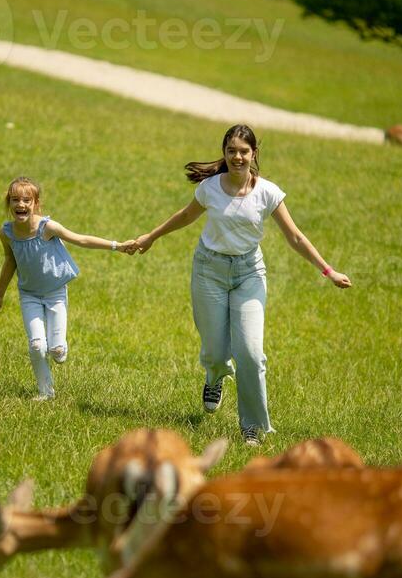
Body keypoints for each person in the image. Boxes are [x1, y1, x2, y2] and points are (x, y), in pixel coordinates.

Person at [134, 125, 351, 446]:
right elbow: (185, 216)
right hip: (209, 270)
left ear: (254, 154)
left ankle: (251, 424)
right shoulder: (210, 188)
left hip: (249, 274)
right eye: (232, 151)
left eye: (243, 151)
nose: (237, 157)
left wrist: (327, 270)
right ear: (224, 153)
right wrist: (151, 236)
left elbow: (295, 237)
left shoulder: (267, 193)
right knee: (215, 349)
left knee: (250, 352)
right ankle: (215, 375)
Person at [0, 176, 135, 400]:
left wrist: (118, 246)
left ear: (36, 204)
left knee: (56, 351)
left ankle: (60, 347)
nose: (21, 204)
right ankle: (45, 392)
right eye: (15, 199)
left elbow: (81, 239)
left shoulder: (47, 228)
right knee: (36, 345)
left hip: (55, 293)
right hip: (29, 295)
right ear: (9, 203)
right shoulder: (6, 233)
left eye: (27, 199)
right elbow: (10, 261)